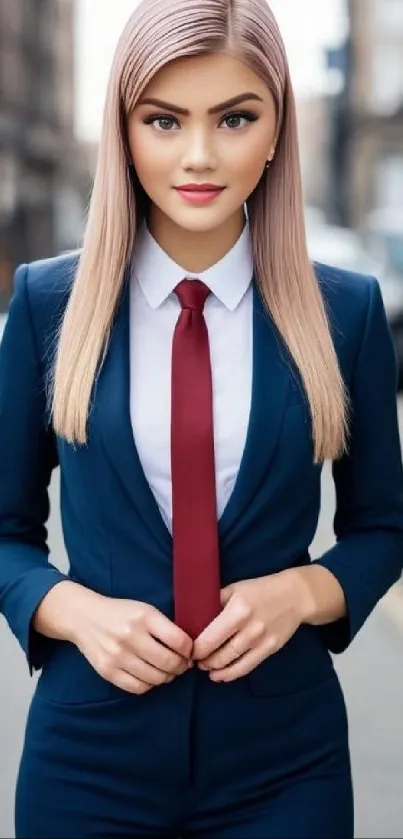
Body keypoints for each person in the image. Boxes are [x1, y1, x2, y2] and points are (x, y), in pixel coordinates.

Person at [1, 0, 402, 836]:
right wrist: (77, 612)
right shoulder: (47, 303)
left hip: (285, 764)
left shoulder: (347, 311)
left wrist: (302, 591)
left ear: (275, 129)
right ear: (124, 129)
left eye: (234, 118)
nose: (197, 155)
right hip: (88, 759)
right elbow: (5, 528)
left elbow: (381, 525)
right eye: (163, 119)